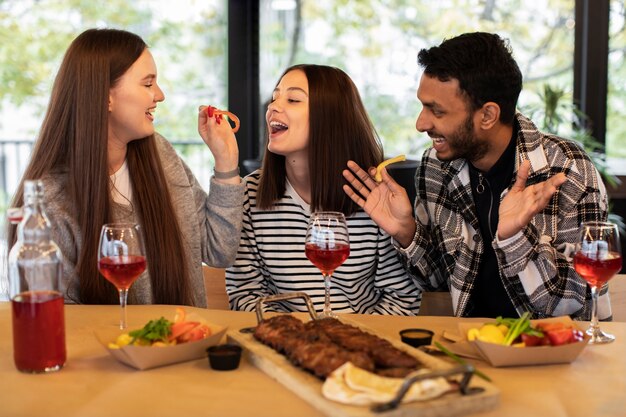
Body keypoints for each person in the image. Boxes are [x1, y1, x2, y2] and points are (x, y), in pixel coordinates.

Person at [343, 32, 611, 320]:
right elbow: (436, 283)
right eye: (422, 106)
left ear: (487, 116)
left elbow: (579, 300)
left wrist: (514, 239)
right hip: (473, 348)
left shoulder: (567, 168)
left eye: (437, 111)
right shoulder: (435, 168)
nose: (421, 124)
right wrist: (406, 231)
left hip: (558, 354)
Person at [6, 28, 244, 307]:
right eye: (148, 84)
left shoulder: (162, 155)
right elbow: (57, 316)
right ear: (106, 96)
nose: (160, 95)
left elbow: (219, 250)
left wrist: (226, 161)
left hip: (187, 345)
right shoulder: (51, 200)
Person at [226, 64, 421, 315]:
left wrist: (351, 342)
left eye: (293, 99)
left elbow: (402, 298)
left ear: (331, 118)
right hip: (284, 344)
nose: (272, 106)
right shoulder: (249, 194)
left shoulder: (374, 196)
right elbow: (245, 294)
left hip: (360, 345)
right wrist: (299, 341)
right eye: (275, 97)